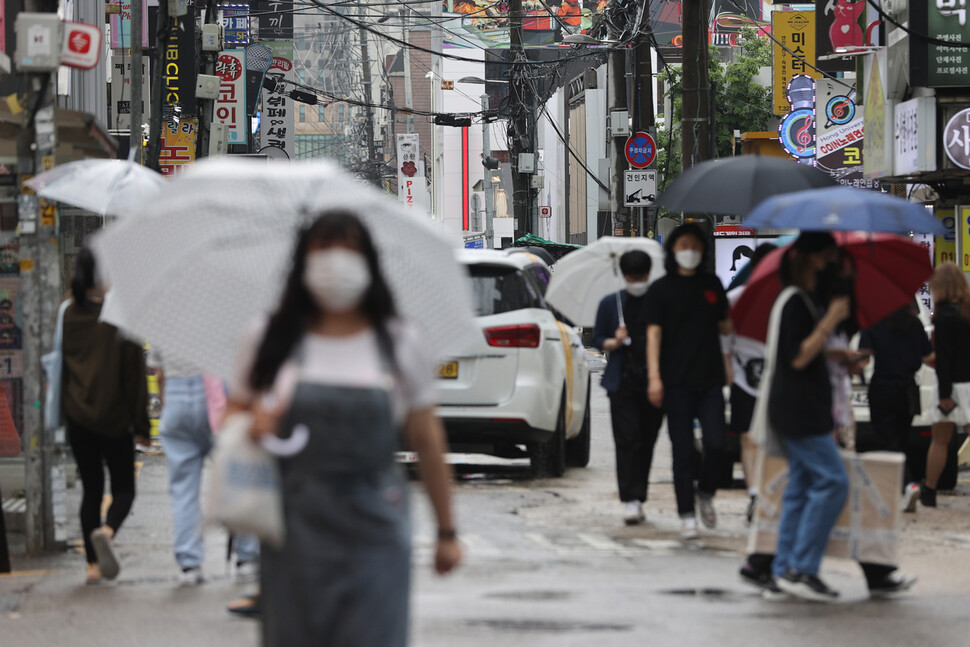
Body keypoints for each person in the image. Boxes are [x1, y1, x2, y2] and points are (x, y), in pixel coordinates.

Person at [225, 210, 461, 647]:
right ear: (303, 261)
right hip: (293, 533)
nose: (337, 261)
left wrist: (447, 532)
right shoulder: (269, 337)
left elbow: (427, 440)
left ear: (370, 262)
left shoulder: (399, 340)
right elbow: (232, 416)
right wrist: (251, 425)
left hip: (377, 533)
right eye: (324, 247)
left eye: (350, 248)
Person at [763, 232, 850, 601]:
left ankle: (784, 569)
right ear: (812, 259)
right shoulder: (795, 302)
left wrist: (839, 357)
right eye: (829, 256)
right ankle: (802, 565)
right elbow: (797, 357)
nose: (833, 264)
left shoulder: (806, 302)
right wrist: (831, 320)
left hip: (805, 407)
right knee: (833, 481)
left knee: (800, 488)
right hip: (798, 410)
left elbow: (808, 355)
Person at [61, 248, 150, 583]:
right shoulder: (122, 317)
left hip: (78, 417)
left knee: (91, 490)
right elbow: (134, 377)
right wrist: (142, 425)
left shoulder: (68, 313)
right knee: (123, 490)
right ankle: (108, 533)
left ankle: (93, 568)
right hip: (114, 420)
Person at [646, 223, 732, 539]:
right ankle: (686, 514)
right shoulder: (661, 289)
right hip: (675, 382)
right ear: (672, 249)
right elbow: (653, 335)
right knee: (681, 450)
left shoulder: (712, 284)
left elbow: (725, 328)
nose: (690, 250)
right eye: (683, 244)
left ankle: (706, 492)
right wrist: (655, 377)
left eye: (696, 245)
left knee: (717, 444)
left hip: (710, 379)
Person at [150, 352, 261, 585]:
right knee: (237, 476)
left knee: (183, 488)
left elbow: (158, 373)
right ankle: (247, 557)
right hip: (219, 393)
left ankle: (189, 564)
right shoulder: (221, 318)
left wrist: (167, 405)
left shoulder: (163, 321)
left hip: (176, 395)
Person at [592, 250, 663, 525]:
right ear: (624, 276)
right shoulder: (611, 304)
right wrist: (614, 341)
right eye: (632, 277)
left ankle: (640, 493)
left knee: (647, 440)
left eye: (641, 276)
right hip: (621, 382)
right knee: (626, 439)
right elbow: (598, 338)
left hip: (653, 380)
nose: (637, 281)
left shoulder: (657, 303)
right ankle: (630, 498)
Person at [859, 303, 933, 512]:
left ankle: (907, 484)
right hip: (908, 390)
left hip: (882, 386)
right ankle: (898, 489)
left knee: (887, 439)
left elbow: (863, 357)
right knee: (901, 438)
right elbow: (927, 356)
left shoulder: (874, 323)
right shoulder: (915, 323)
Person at [727, 243, 776, 524]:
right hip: (744, 378)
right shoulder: (736, 299)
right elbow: (725, 340)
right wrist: (730, 373)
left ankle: (771, 491)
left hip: (778, 380)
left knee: (774, 439)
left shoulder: (788, 299)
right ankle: (755, 493)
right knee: (748, 437)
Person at [922, 262, 970, 507]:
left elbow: (944, 359)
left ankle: (929, 491)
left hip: (952, 384)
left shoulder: (943, 316)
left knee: (940, 440)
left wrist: (944, 394)